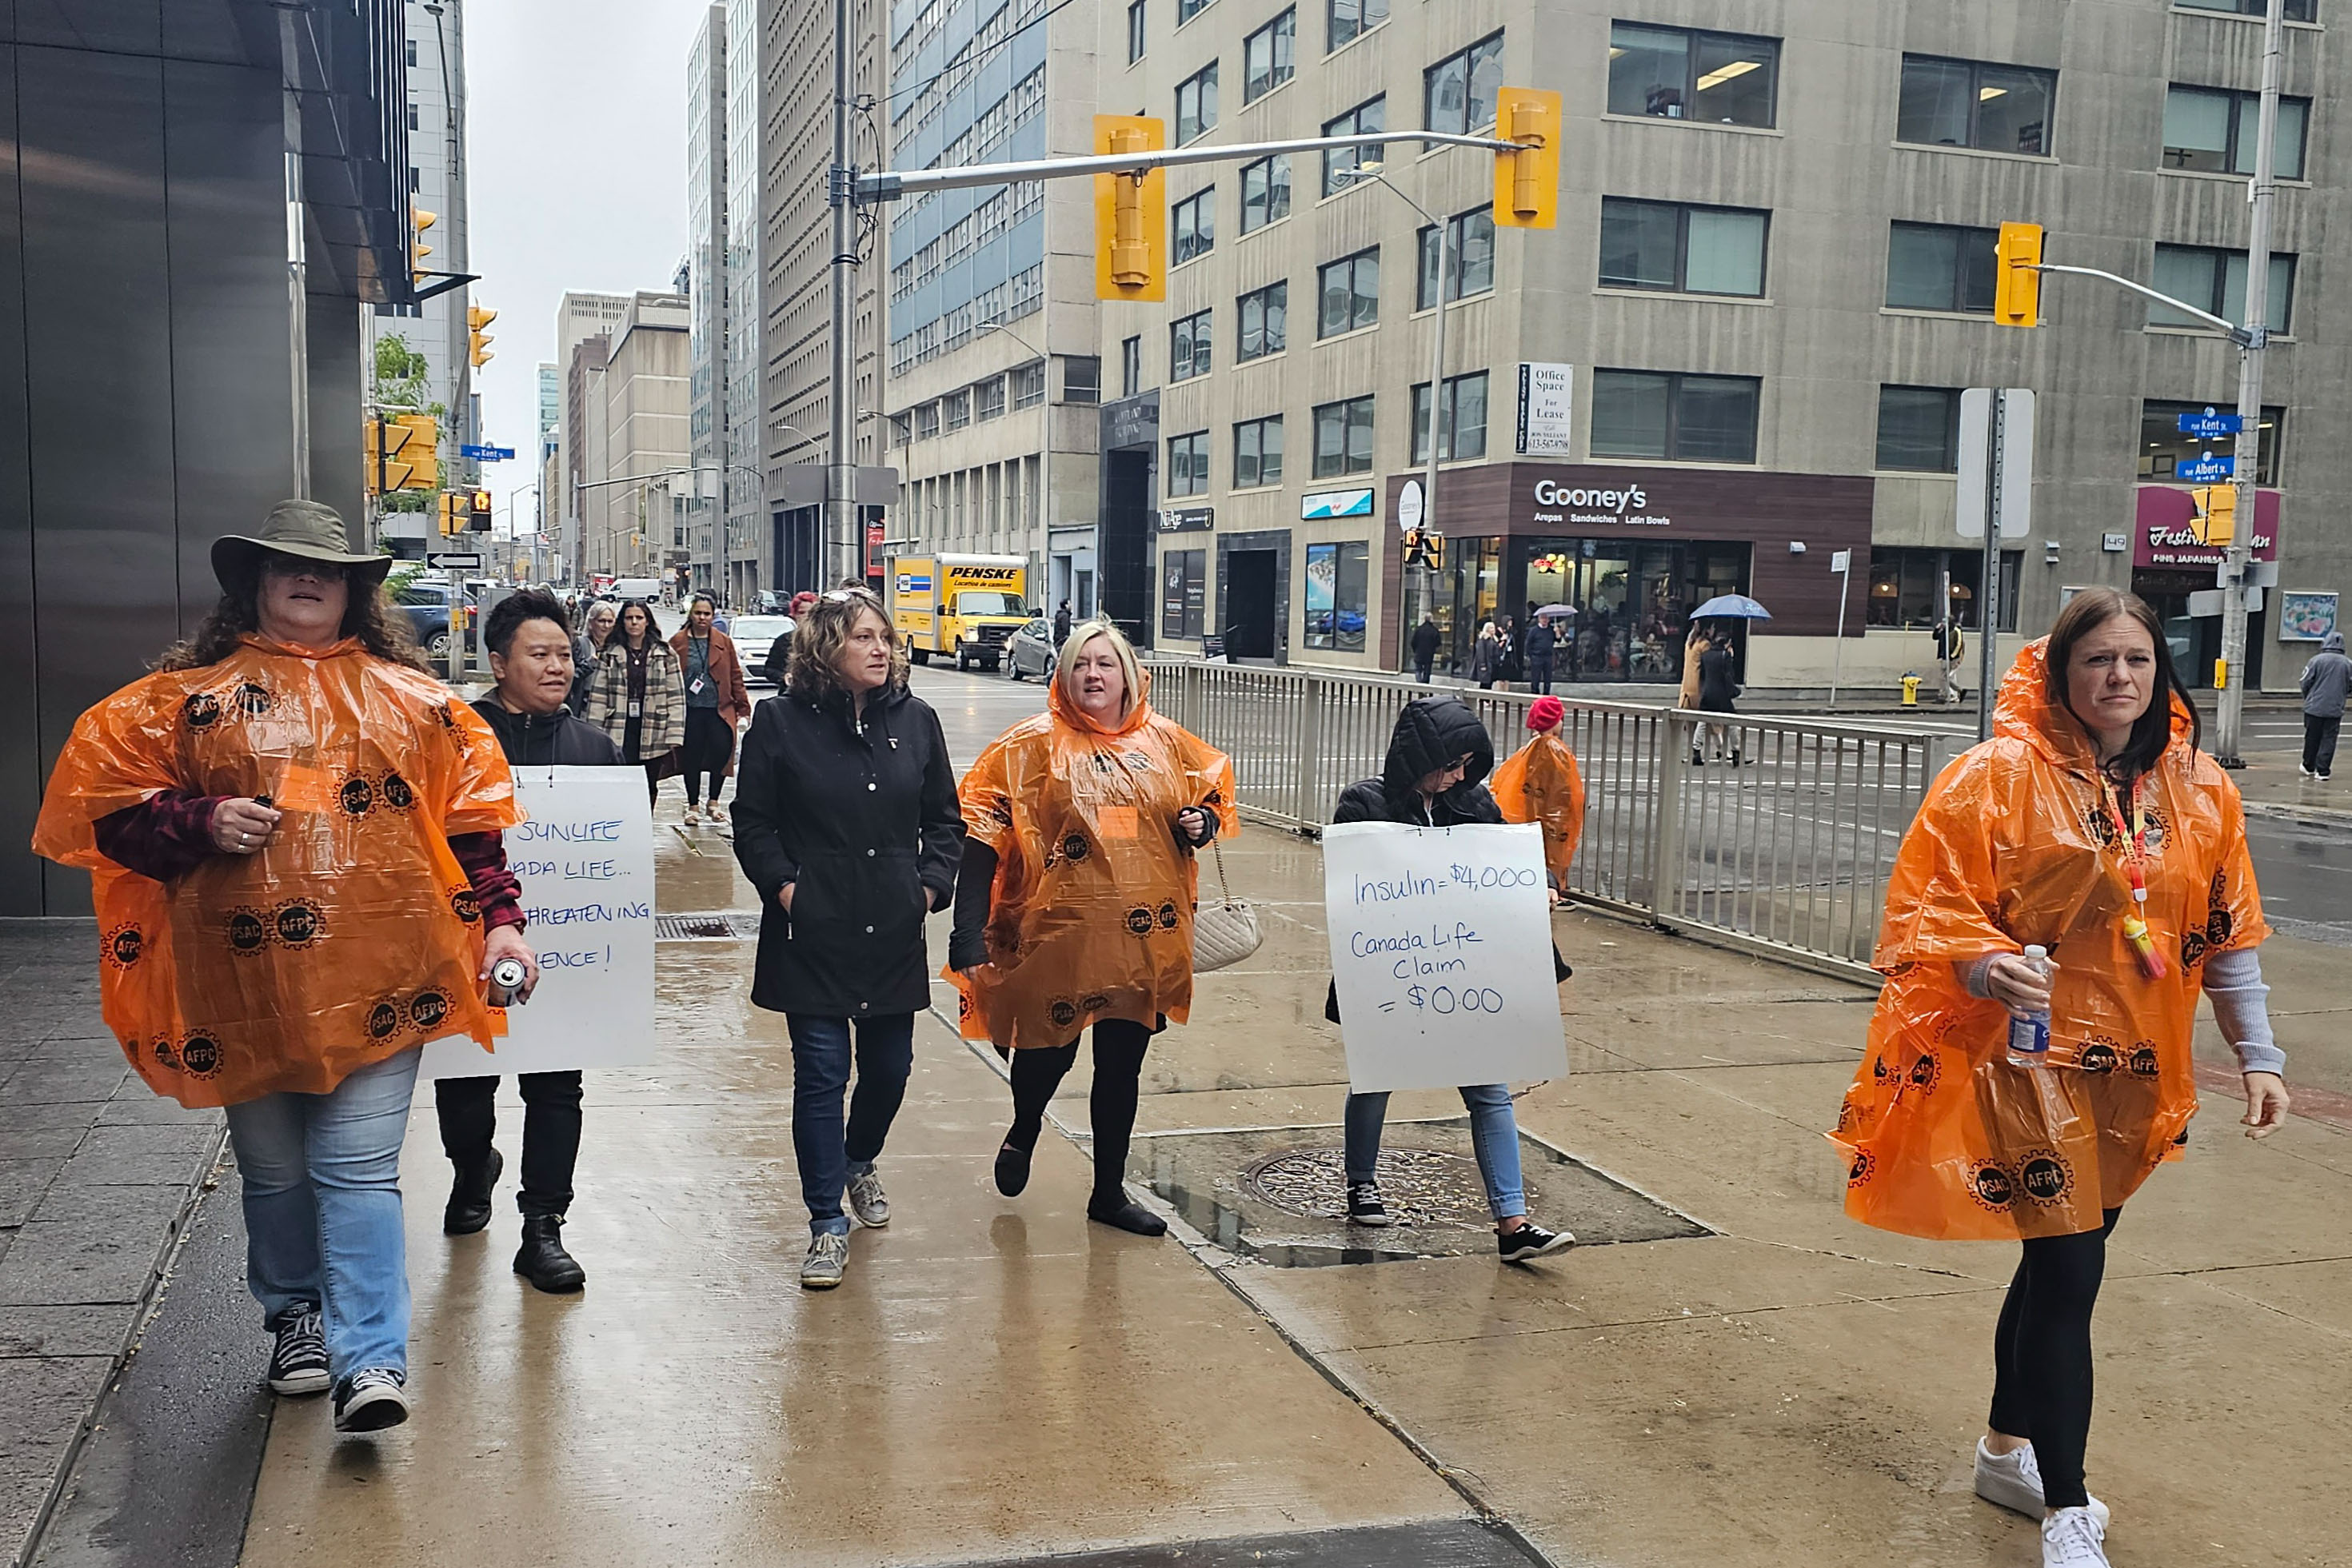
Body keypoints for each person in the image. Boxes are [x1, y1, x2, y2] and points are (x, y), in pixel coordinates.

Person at [31, 500, 533, 1434]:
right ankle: (295, 1316)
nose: (308, 578)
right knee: (272, 1172)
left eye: (329, 568)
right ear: (253, 584)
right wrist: (198, 820)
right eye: (287, 565)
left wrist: (501, 928)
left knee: (356, 1168)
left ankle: (370, 1354)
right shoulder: (183, 703)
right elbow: (107, 811)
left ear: (353, 591)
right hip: (240, 981)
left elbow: (473, 833)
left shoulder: (419, 705)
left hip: (387, 974)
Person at [1831, 588, 2288, 1568]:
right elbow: (1927, 906)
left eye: (2134, 659)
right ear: (2059, 672)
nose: (2117, 678)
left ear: (2160, 670)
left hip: (2136, 1067)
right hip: (2027, 1060)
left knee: (2052, 1266)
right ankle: (2067, 1507)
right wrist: (1982, 962)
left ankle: (2005, 1447)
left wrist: (2259, 1055)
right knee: (2072, 1267)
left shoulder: (2203, 790)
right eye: (2095, 661)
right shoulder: (1990, 778)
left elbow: (2227, 933)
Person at [948, 620, 1237, 1237]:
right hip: (1057, 935)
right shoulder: (1028, 746)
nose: (1093, 675)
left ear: (1129, 675)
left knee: (1120, 1066)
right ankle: (1026, 1124)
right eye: (1081, 664)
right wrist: (965, 927)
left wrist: (1200, 823)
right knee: (1045, 1054)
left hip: (1142, 939)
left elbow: (1209, 797)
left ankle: (1107, 1191)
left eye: (1105, 663)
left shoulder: (1166, 743)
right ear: (1063, 674)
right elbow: (980, 833)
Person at [733, 588, 965, 1289]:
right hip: (813, 930)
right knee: (821, 1076)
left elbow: (946, 821)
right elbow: (753, 822)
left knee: (890, 1070)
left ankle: (859, 1158)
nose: (880, 649)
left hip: (891, 928)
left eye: (884, 638)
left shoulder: (916, 720)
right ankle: (824, 1223)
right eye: (864, 637)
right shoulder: (778, 722)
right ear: (826, 647)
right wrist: (786, 888)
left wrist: (925, 887)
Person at [1324, 696, 1574, 1263]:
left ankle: (1512, 1224)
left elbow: (1501, 867)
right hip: (1392, 969)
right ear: (1422, 756)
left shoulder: (1474, 802)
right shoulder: (1363, 803)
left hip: (1461, 972)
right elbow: (1352, 887)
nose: (1460, 775)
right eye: (1452, 762)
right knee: (1375, 1076)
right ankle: (1360, 1180)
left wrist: (1533, 888)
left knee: (1488, 1089)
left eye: (1467, 763)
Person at [436, 590, 625, 1295]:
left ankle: (543, 1226)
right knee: (463, 1082)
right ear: (497, 662)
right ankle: (469, 1167)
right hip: (469, 949)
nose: (557, 668)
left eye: (564, 655)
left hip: (567, 960)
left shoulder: (595, 749)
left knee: (556, 1089)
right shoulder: (458, 741)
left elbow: (620, 863)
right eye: (538, 654)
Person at [584, 600, 685, 807]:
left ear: (647, 621)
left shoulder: (665, 654)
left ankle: (645, 824)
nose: (634, 622)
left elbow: (676, 696)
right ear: (623, 622)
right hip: (619, 725)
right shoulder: (610, 653)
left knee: (649, 782)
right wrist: (594, 733)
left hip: (653, 726)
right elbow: (599, 695)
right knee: (620, 780)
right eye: (629, 618)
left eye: (639, 618)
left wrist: (674, 732)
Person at [1491, 695, 1586, 900]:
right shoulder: (1552, 750)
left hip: (1529, 816)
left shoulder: (1532, 747)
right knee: (1549, 857)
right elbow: (1562, 789)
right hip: (1549, 821)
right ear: (1554, 721)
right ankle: (1550, 891)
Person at [669, 593, 752, 826]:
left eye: (707, 613)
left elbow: (736, 675)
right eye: (698, 613)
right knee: (691, 757)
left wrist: (743, 708)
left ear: (713, 615)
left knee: (722, 753)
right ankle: (693, 804)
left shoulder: (724, 642)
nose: (702, 618)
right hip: (691, 711)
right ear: (691, 614)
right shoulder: (678, 642)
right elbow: (669, 677)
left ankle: (713, 802)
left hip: (719, 709)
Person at [2297, 628, 2347, 780]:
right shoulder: (2347, 663)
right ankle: (2323, 771)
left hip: (2314, 707)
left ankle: (2309, 765)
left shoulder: (2316, 660)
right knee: (2329, 738)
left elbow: (2305, 681)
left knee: (2312, 737)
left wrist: (2308, 696)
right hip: (2335, 708)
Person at [1697, 628, 1740, 765]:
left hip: (1708, 693)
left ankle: (1695, 750)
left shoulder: (1706, 655)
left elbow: (1703, 675)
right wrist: (1733, 691)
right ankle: (1736, 752)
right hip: (1721, 695)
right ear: (1728, 643)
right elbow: (1728, 676)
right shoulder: (1725, 656)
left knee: (1703, 722)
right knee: (1733, 723)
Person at [570, 599, 617, 717]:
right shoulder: (580, 644)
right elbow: (571, 678)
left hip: (610, 708)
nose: (606, 626)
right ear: (591, 623)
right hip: (584, 708)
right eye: (601, 621)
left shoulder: (617, 648)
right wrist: (589, 664)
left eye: (610, 621)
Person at [1935, 616, 1967, 705]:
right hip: (1944, 656)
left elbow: (1959, 644)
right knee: (1944, 677)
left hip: (1951, 657)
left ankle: (1950, 694)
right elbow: (1935, 637)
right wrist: (1937, 629)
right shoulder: (1944, 631)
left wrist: (1952, 656)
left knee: (1946, 677)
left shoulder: (1956, 631)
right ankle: (1950, 693)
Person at [1524, 616, 1557, 696]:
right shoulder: (1533, 630)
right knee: (1535, 678)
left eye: (1546, 618)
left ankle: (1546, 695)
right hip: (1537, 657)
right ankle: (1535, 695)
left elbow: (1558, 640)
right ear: (1539, 619)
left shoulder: (1551, 629)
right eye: (1543, 618)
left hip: (1548, 657)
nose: (1545, 620)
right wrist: (1531, 656)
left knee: (1548, 678)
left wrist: (1557, 632)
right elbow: (1528, 644)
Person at [1471, 620, 1504, 691]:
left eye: (1494, 628)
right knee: (1485, 683)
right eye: (1491, 628)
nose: (1493, 630)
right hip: (1486, 663)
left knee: (1490, 682)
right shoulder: (1483, 639)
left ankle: (1485, 700)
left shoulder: (1494, 639)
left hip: (1493, 663)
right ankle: (1483, 700)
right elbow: (1481, 653)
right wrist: (1483, 665)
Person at [1410, 612, 1441, 684]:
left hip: (1419, 653)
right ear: (1431, 620)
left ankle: (1419, 683)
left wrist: (1415, 650)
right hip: (1429, 654)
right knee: (1427, 671)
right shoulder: (1434, 631)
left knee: (1418, 670)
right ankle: (1425, 685)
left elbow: (1413, 642)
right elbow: (1438, 642)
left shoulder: (1419, 629)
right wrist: (1433, 648)